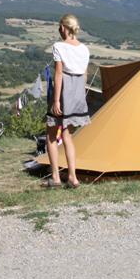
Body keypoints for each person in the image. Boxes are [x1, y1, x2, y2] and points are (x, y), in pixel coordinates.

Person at [43, 14, 91, 189]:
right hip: (78, 92)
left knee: (51, 133)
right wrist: (81, 96)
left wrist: (56, 100)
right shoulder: (85, 49)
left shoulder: (59, 47)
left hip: (63, 92)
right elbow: (84, 75)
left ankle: (56, 177)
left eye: (59, 27)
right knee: (68, 136)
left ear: (64, 27)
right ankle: (73, 177)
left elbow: (58, 75)